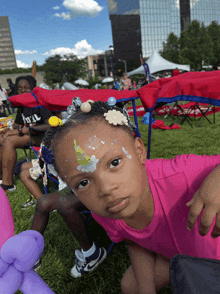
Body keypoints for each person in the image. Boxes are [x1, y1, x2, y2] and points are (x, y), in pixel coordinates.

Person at [48, 99, 220, 293]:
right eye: (83, 182)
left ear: (138, 151)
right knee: (130, 287)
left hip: (212, 257)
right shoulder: (105, 210)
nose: (105, 189)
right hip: (181, 252)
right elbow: (134, 240)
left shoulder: (184, 175)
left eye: (114, 163)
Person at [20, 121, 107, 276]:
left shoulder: (83, 150)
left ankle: (91, 253)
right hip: (72, 186)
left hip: (93, 186)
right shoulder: (51, 153)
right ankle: (31, 250)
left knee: (64, 203)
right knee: (43, 201)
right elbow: (56, 174)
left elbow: (92, 178)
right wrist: (46, 160)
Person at [0, 75, 53, 192]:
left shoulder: (40, 103)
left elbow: (49, 125)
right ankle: (4, 174)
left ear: (33, 88)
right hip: (28, 136)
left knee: (9, 141)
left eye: (26, 87)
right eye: (19, 88)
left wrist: (21, 130)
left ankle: (8, 184)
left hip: (42, 138)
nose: (22, 90)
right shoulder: (22, 105)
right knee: (2, 138)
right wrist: (9, 130)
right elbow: (18, 124)